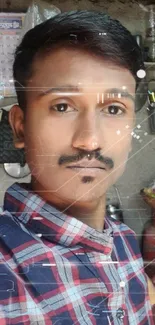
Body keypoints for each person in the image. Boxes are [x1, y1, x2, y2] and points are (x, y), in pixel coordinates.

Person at [0, 10, 154, 325]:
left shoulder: (121, 239)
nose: (90, 140)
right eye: (62, 106)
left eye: (113, 108)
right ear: (19, 127)